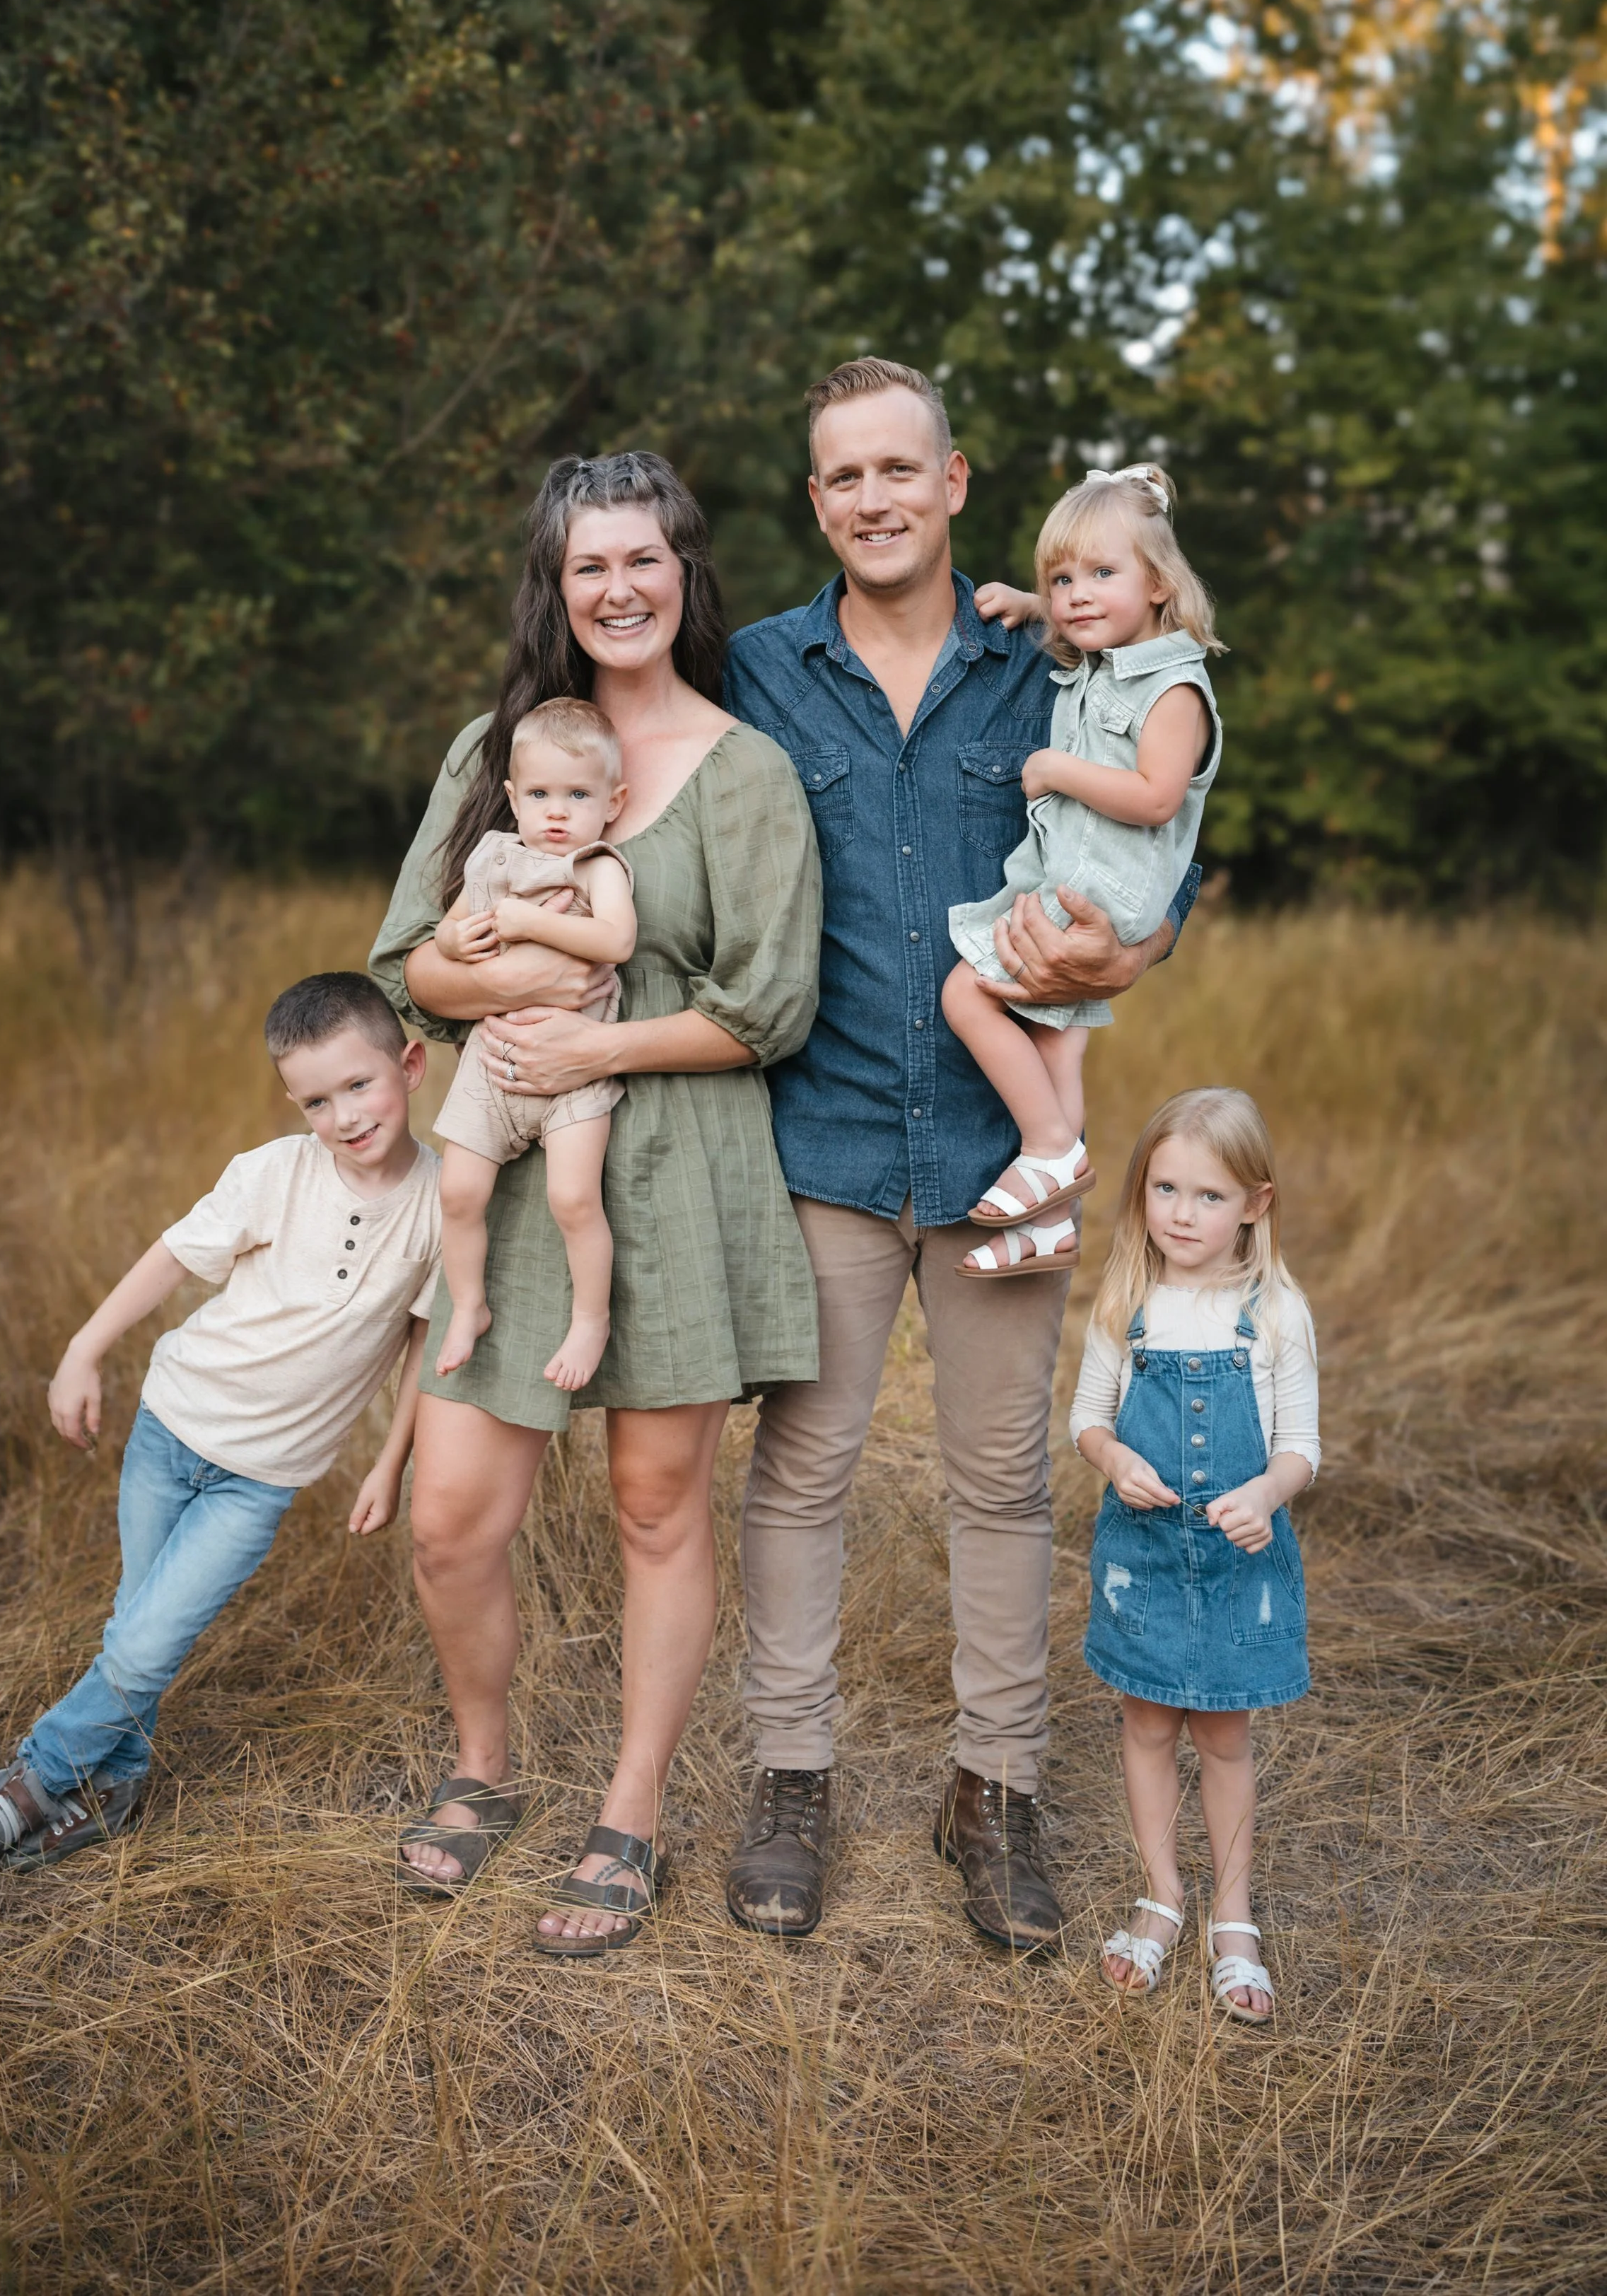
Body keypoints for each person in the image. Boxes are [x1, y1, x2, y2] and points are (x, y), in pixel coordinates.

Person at [721, 357, 1199, 1950]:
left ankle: (991, 1792)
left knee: (1000, 1483)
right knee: (801, 1473)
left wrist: (1137, 953)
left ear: (953, 481)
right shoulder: (758, 671)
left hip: (1011, 1145)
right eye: (839, 476)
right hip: (823, 1135)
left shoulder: (1048, 661)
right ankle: (790, 1778)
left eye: (896, 469)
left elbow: (1164, 832)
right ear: (815, 501)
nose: (870, 499)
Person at [368, 450, 820, 1959]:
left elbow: (769, 1007)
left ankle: (629, 1816)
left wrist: (596, 1038)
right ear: (553, 589)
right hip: (510, 1157)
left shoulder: (745, 770)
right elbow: (407, 964)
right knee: (450, 1520)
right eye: (587, 566)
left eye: (644, 560)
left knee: (653, 1502)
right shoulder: (493, 753)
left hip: (678, 1167)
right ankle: (482, 1767)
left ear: (685, 574)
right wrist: (516, 987)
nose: (617, 589)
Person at [0, 973, 441, 1889]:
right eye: (316, 1100)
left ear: (410, 1063)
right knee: (141, 1628)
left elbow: (421, 1340)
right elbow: (174, 1253)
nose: (344, 1115)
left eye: (359, 1085)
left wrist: (392, 1459)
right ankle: (119, 1784)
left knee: (142, 1639)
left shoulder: (447, 1203)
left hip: (259, 1478)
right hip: (171, 1425)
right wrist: (84, 1350)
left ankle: (34, 1779)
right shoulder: (274, 1171)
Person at [1070, 1088, 1316, 2023]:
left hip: (1238, 1560)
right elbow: (1087, 1418)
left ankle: (1234, 1914)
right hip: (1143, 1556)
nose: (1181, 1212)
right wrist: (1115, 1457)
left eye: (1209, 1195)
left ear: (1255, 1202)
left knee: (1223, 1734)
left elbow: (1303, 1446)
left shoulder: (1275, 1312)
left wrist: (1265, 1494)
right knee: (1145, 1724)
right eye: (1165, 1188)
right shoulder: (1129, 1303)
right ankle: (1161, 1893)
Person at [942, 463, 1222, 1276]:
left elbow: (1156, 796)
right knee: (1055, 1040)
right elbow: (1082, 622)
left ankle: (1050, 1148)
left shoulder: (1174, 688)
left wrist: (1052, 768)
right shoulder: (1113, 655)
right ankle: (1049, 1226)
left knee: (966, 992)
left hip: (1101, 891)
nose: (1076, 595)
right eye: (1061, 579)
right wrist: (1036, 608)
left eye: (1101, 574)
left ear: (1161, 585)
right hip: (1083, 879)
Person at [431, 696, 637, 1393]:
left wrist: (525, 919)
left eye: (578, 795)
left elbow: (616, 940)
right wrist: (454, 938)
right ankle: (468, 1305)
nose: (557, 811)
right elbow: (446, 931)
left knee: (574, 1199)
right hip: (491, 1062)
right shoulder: (492, 858)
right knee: (457, 1192)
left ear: (614, 802)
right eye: (541, 794)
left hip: (575, 1069)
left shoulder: (595, 866)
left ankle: (590, 1319)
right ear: (513, 799)